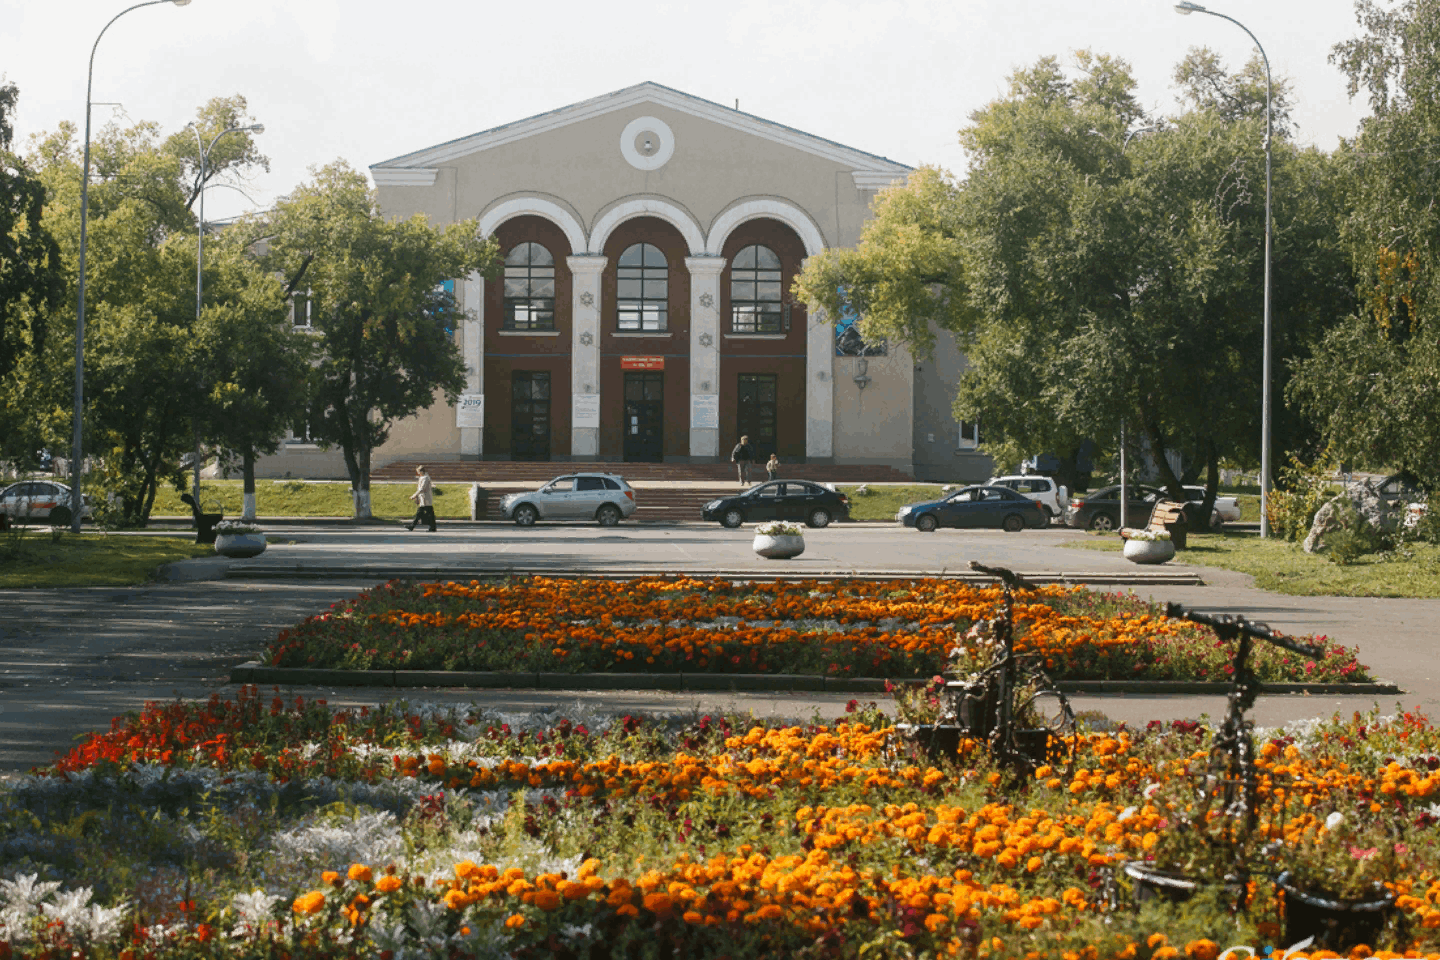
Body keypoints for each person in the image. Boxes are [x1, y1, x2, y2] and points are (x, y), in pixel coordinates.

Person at [407, 465, 436, 531]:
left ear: (421, 471)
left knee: (422, 513)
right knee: (427, 514)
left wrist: (414, 495)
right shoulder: (422, 478)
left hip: (426, 498)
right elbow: (419, 489)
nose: (418, 473)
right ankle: (432, 527)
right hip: (423, 498)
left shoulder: (425, 478)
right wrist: (417, 497)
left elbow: (422, 489)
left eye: (418, 471)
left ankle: (412, 526)